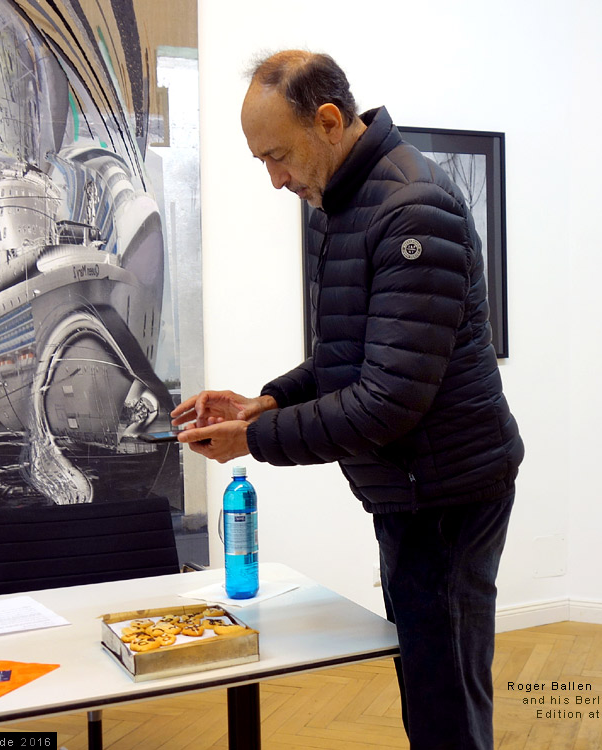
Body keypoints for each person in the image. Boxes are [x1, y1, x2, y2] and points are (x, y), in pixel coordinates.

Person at [172, 50, 524, 749]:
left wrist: (254, 442)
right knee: (430, 685)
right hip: (412, 490)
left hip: (448, 494)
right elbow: (345, 359)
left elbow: (388, 399)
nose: (275, 180)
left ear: (328, 121)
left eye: (278, 156)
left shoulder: (412, 208)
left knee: (445, 697)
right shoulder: (340, 205)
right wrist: (263, 403)